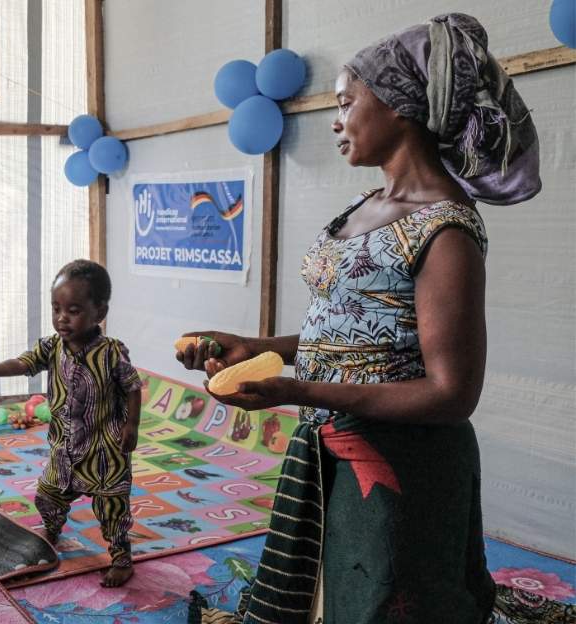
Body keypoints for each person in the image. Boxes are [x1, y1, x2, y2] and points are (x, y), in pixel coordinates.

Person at [180, 14, 543, 624]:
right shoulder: (367, 206)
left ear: (400, 107)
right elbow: (356, 329)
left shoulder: (445, 229)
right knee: (329, 599)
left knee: (380, 600)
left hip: (397, 465)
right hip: (333, 449)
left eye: (347, 102)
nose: (335, 120)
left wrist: (298, 391)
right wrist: (257, 345)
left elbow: (452, 394)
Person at [0, 259, 142, 587]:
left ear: (99, 312)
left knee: (112, 506)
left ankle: (121, 557)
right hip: (65, 449)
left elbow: (132, 387)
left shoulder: (112, 353)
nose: (61, 318)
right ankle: (52, 530)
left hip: (105, 450)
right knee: (48, 494)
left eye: (73, 310)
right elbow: (24, 363)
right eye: (56, 308)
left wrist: (131, 426)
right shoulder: (51, 347)